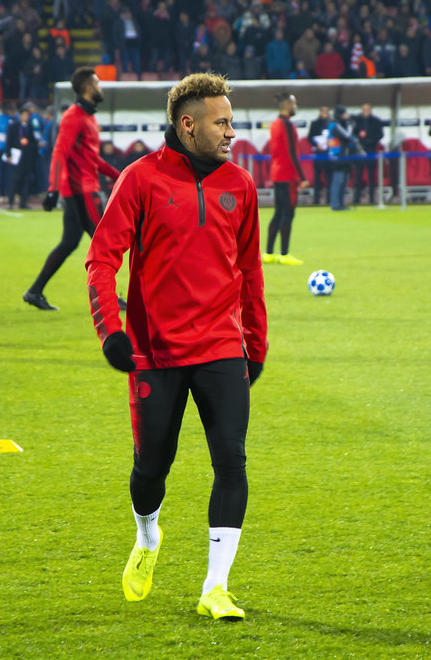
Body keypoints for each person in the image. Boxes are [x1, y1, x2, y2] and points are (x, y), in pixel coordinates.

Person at [85, 72, 267, 622]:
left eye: (232, 121)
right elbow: (101, 260)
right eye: (222, 122)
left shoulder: (241, 185)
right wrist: (111, 332)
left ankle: (216, 587)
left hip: (221, 347)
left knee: (231, 461)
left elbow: (251, 272)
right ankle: (147, 534)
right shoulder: (139, 180)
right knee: (150, 471)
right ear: (188, 125)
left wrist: (255, 344)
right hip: (156, 354)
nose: (232, 132)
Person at [23, 67, 119, 311]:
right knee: (105, 243)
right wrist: (52, 188)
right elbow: (59, 152)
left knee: (69, 243)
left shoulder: (88, 117)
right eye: (98, 83)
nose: (101, 87)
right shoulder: (74, 116)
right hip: (81, 190)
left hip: (82, 189)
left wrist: (118, 176)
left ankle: (34, 292)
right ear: (88, 87)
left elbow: (91, 158)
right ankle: (109, 297)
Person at [264, 92, 308, 265]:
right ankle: (284, 253)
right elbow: (292, 153)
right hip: (287, 174)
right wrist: (302, 177)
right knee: (288, 213)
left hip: (276, 172)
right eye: (294, 103)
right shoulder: (287, 125)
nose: (295, 106)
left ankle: (268, 253)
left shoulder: (274, 124)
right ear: (287, 105)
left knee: (278, 212)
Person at [5, 105, 39, 210]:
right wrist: (8, 155)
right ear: (19, 116)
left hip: (27, 159)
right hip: (16, 158)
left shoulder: (30, 127)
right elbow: (8, 142)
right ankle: (10, 202)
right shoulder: (13, 126)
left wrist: (33, 146)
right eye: (24, 115)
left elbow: (33, 142)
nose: (26, 117)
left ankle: (23, 203)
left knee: (26, 181)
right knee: (14, 180)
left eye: (27, 115)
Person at [326, 105, 359, 212]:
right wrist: (350, 126)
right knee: (338, 181)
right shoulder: (334, 125)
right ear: (340, 115)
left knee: (344, 182)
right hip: (338, 157)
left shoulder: (340, 124)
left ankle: (341, 204)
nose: (347, 116)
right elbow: (347, 135)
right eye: (345, 114)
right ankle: (335, 204)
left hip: (345, 157)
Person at [352, 103, 384, 204]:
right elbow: (353, 133)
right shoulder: (357, 121)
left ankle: (372, 199)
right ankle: (356, 199)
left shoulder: (376, 121)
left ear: (370, 110)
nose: (365, 111)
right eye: (364, 109)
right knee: (358, 176)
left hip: (371, 150)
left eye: (367, 109)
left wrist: (371, 141)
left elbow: (380, 134)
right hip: (359, 150)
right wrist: (359, 141)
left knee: (371, 176)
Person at [307, 106, 331, 205]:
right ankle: (316, 200)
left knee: (329, 178)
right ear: (320, 112)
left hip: (329, 154)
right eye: (323, 111)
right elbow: (309, 137)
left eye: (326, 112)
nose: (325, 113)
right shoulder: (315, 123)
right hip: (318, 153)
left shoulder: (332, 124)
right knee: (317, 178)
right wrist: (317, 145)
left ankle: (329, 200)